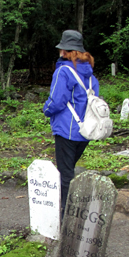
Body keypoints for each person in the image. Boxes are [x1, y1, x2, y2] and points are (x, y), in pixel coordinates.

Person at [43, 30, 99, 218]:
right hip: (86, 131)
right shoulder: (91, 77)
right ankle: (68, 209)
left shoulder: (63, 72)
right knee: (68, 171)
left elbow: (56, 101)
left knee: (65, 175)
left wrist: (46, 110)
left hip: (66, 131)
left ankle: (66, 214)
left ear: (66, 51)